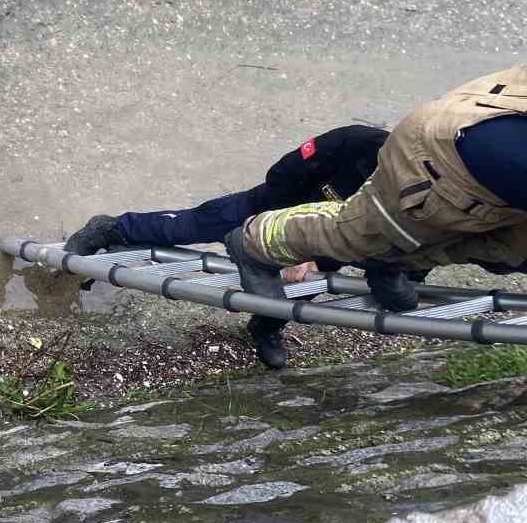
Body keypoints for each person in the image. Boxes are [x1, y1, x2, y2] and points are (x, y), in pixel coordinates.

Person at [224, 65, 527, 365]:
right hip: (442, 161)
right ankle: (254, 244)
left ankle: (385, 265)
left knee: (495, 249)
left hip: (493, 174)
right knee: (360, 233)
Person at [64, 125, 390, 369]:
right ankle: (109, 228)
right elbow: (282, 175)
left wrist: (315, 260)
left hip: (325, 242)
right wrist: (287, 240)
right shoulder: (355, 142)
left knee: (305, 285)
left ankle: (266, 326)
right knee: (183, 226)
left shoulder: (406, 187)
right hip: (265, 210)